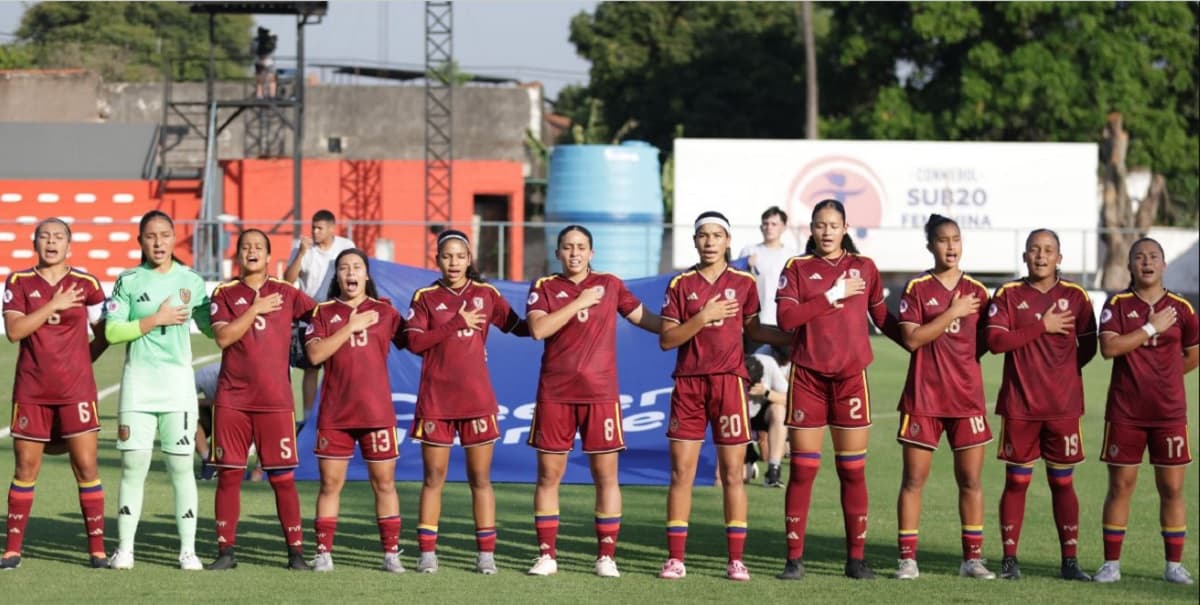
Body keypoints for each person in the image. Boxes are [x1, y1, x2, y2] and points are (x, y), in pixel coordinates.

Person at [523, 225, 662, 578]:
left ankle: (606, 556)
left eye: (581, 247)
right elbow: (539, 329)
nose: (574, 253)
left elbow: (644, 318)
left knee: (606, 476)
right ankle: (547, 555)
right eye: (567, 247)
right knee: (549, 475)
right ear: (557, 253)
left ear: (592, 252)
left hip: (601, 394)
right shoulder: (544, 287)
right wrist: (580, 302)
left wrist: (689, 326)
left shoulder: (611, 284)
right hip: (556, 394)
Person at [657, 210, 789, 582]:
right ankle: (675, 559)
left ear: (728, 241)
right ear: (695, 241)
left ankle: (736, 560)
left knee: (733, 472)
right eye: (704, 235)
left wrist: (798, 338)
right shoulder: (680, 285)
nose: (710, 241)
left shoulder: (744, 283)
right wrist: (703, 316)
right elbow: (667, 339)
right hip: (689, 385)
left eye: (717, 235)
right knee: (682, 472)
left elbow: (755, 329)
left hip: (730, 384)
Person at [774, 198, 898, 581]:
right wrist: (832, 294)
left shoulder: (865, 268)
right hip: (808, 379)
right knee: (803, 472)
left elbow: (883, 318)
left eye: (833, 225)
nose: (826, 232)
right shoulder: (797, 268)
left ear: (846, 228)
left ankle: (855, 560)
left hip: (850, 380)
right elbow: (786, 318)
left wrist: (920, 340)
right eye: (819, 225)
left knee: (853, 471)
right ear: (810, 229)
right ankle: (794, 559)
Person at [403, 229, 527, 575]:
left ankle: (486, 554)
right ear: (437, 259)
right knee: (434, 477)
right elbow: (415, 343)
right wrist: (456, 322)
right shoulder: (425, 296)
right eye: (447, 256)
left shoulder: (486, 294)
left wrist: (555, 317)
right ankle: (427, 553)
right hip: (437, 401)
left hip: (476, 400)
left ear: (469, 259)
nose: (453, 262)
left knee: (480, 478)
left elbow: (519, 326)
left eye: (460, 256)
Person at [104, 210, 214, 571]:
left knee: (181, 466)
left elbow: (212, 328)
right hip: (139, 385)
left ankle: (187, 551)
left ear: (173, 238)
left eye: (165, 235)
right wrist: (156, 319)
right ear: (140, 241)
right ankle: (125, 549)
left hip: (178, 386)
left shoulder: (192, 281)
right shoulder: (128, 280)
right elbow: (112, 332)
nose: (158, 242)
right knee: (134, 465)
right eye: (150, 236)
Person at [985, 228, 1096, 581]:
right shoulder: (1008, 294)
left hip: (1063, 409)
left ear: (1059, 258)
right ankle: (1009, 560)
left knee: (1063, 483)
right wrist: (1042, 326)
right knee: (1017, 482)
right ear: (1025, 256)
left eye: (1048, 250)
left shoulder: (1077, 297)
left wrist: (1061, 374)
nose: (1041, 256)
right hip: (1020, 407)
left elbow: (1089, 348)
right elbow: (995, 342)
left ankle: (1070, 561)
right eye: (1035, 249)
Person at [1, 218, 109, 570]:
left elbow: (105, 333)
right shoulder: (18, 282)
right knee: (26, 468)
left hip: (76, 392)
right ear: (35, 243)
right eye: (45, 236)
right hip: (32, 391)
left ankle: (97, 551)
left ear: (69, 245)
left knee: (87, 467)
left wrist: (82, 360)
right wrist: (53, 303)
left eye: (58, 236)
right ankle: (13, 550)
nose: (52, 242)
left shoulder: (87, 284)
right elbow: (15, 331)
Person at [892, 214, 995, 580]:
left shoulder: (979, 292)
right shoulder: (917, 288)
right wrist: (952, 311)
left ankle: (972, 559)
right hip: (923, 398)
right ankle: (907, 559)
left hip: (967, 401)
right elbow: (912, 339)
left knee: (971, 481)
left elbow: (984, 344)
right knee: (913, 480)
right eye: (942, 240)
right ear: (930, 245)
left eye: (956, 239)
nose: (950, 246)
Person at [206, 229, 317, 571]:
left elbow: (322, 318)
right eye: (246, 246)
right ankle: (226, 552)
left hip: (276, 401)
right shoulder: (224, 293)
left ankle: (296, 553)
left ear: (270, 257)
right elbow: (223, 337)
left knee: (283, 479)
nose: (252, 251)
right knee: (229, 476)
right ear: (237, 254)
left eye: (259, 247)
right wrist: (254, 309)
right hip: (232, 402)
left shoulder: (287, 292)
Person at [1092, 238, 1198, 585]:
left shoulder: (1183, 308)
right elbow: (1109, 348)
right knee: (1120, 487)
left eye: (1153, 256)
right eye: (1139, 256)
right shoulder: (1118, 304)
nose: (1146, 262)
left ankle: (1173, 565)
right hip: (1125, 412)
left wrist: (1163, 377)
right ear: (1130, 265)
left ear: (1164, 265)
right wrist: (1151, 328)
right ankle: (1111, 564)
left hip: (1169, 414)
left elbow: (1193, 353)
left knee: (1172, 490)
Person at [305, 248, 407, 573]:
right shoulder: (323, 312)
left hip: (377, 414)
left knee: (385, 484)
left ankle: (391, 553)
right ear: (337, 276)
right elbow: (315, 356)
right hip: (335, 415)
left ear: (366, 275)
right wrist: (349, 327)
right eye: (344, 267)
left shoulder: (386, 312)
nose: (351, 273)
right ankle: (323, 553)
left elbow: (418, 341)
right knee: (330, 485)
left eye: (357, 267)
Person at [284, 210, 355, 427]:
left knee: (342, 368)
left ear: (332, 228)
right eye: (313, 227)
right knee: (310, 368)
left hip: (339, 316)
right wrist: (301, 254)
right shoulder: (302, 248)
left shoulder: (346, 246)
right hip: (310, 316)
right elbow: (288, 280)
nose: (314, 232)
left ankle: (340, 415)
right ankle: (308, 418)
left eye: (320, 228)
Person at [738, 206, 796, 328]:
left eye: (774, 224)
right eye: (766, 224)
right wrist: (744, 264)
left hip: (782, 322)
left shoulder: (791, 256)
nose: (769, 227)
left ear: (784, 227)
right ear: (761, 227)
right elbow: (736, 283)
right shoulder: (749, 251)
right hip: (755, 322)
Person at [747, 346, 789, 487]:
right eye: (784, 357)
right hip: (738, 419)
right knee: (738, 476)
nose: (786, 361)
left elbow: (791, 399)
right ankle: (749, 465)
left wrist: (766, 392)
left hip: (761, 411)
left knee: (779, 409)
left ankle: (773, 470)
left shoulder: (768, 364)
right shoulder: (762, 356)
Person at [253, 26, 278, 99]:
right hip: (270, 62)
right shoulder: (271, 40)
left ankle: (259, 95)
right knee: (272, 80)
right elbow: (274, 49)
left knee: (259, 80)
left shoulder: (256, 40)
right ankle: (272, 95)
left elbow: (252, 50)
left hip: (258, 62)